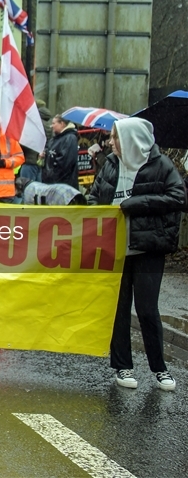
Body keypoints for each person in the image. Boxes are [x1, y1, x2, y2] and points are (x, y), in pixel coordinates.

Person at [87, 117, 184, 392]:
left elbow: (178, 198)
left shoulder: (161, 165)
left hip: (148, 248)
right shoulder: (111, 164)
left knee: (147, 309)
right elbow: (95, 197)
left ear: (132, 140)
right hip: (116, 249)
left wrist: (137, 204)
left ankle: (160, 369)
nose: (110, 142)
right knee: (119, 308)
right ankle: (122, 365)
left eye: (116, 138)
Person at [43, 115, 79, 189]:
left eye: (53, 123)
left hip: (63, 184)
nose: (51, 126)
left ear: (62, 124)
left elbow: (65, 162)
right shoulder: (55, 138)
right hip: (52, 182)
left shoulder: (70, 138)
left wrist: (51, 176)